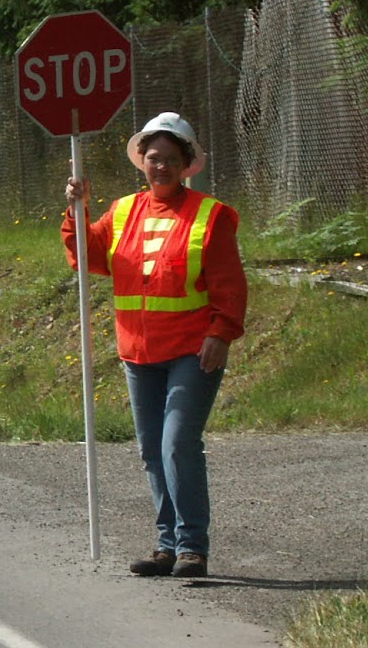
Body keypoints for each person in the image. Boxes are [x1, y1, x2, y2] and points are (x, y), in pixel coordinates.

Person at [63, 112, 248, 579]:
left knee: (176, 444)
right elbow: (87, 257)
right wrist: (76, 210)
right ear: (141, 162)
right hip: (138, 353)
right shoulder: (123, 211)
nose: (159, 166)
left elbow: (229, 284)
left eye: (170, 158)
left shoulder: (212, 215)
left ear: (187, 163)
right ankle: (166, 546)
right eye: (152, 158)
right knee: (150, 450)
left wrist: (221, 333)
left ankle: (191, 548)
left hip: (192, 350)